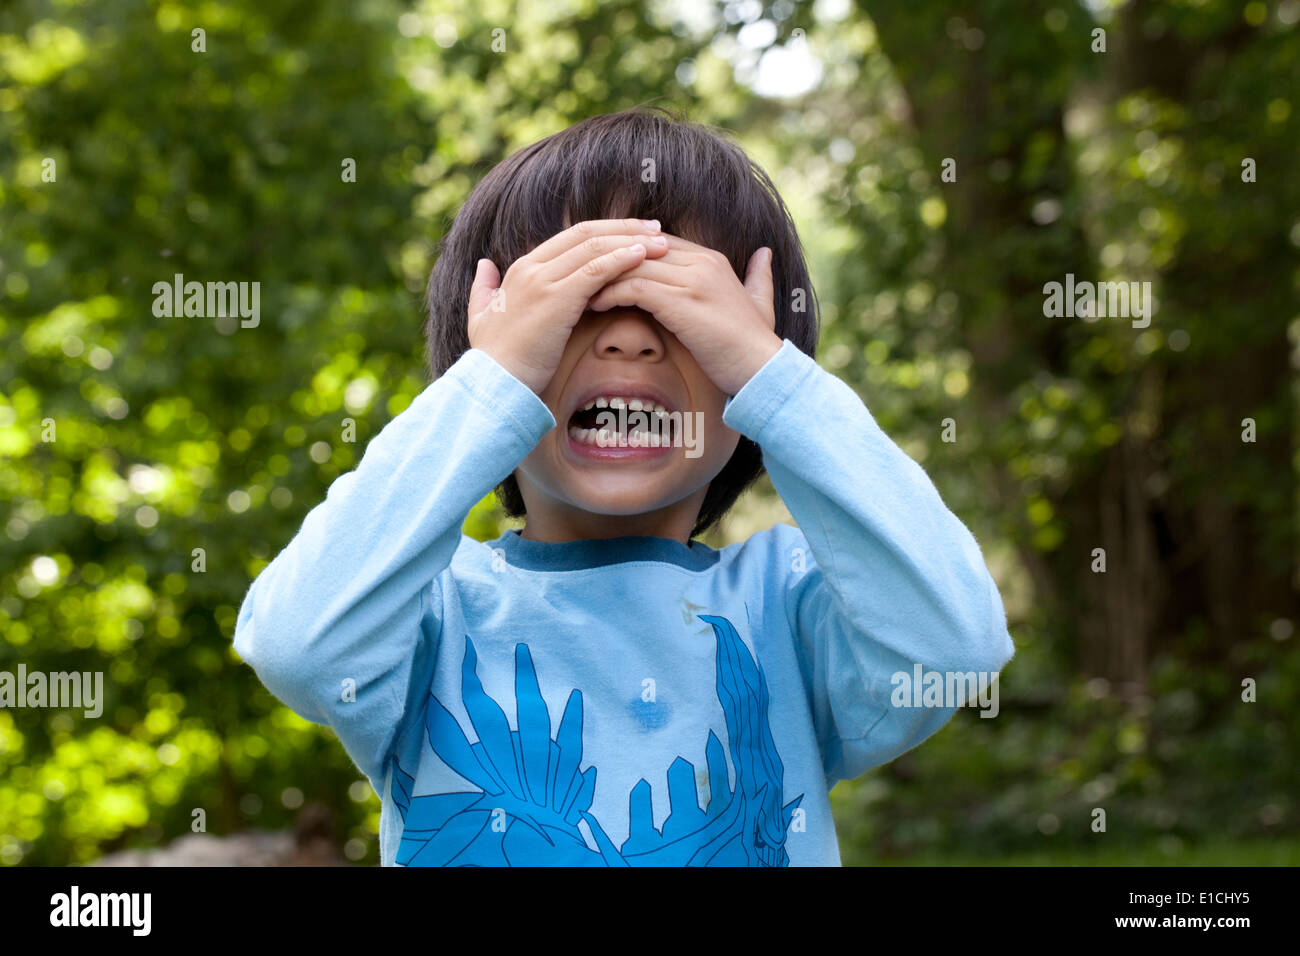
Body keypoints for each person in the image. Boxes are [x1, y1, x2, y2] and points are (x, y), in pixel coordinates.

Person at [234, 106, 1015, 866]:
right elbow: (299, 646)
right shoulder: (428, 614)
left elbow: (953, 647)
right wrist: (490, 385)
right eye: (573, 306)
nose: (629, 336)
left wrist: (773, 379)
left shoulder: (791, 607)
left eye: (687, 307)